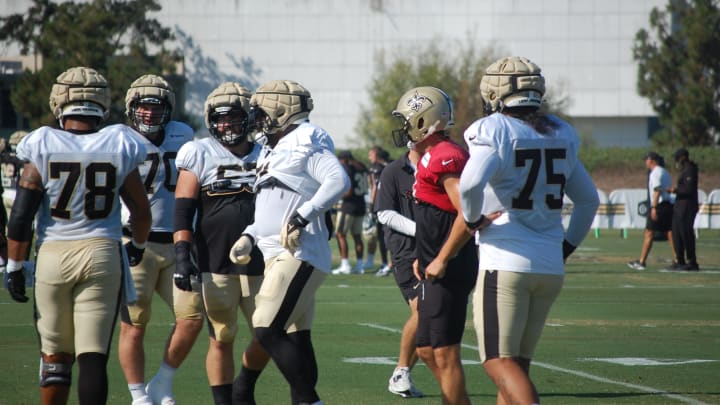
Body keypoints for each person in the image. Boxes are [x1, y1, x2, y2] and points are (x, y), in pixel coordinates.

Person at [5, 66, 151, 405]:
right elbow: (141, 212)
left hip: (54, 254)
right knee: (93, 356)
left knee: (54, 356)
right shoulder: (119, 141)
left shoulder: (41, 142)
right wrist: (139, 246)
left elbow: (21, 217)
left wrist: (14, 265)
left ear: (59, 101)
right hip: (102, 253)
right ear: (102, 102)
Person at [459, 56, 599, 405]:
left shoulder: (493, 129)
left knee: (497, 362)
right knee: (517, 365)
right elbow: (588, 201)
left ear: (494, 91)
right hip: (550, 265)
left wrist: (473, 219)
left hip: (505, 260)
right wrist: (564, 248)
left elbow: (470, 184)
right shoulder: (560, 132)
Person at [229, 79, 350, 405]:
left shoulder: (304, 139)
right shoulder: (276, 148)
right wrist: (249, 235)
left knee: (266, 328)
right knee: (297, 336)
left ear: (283, 112)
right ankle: (300, 399)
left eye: (262, 113)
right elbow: (273, 205)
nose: (258, 121)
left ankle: (262, 393)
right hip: (276, 253)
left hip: (298, 251)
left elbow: (338, 180)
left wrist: (302, 217)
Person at [149, 82, 270, 405]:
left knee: (269, 333)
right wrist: (182, 254)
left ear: (248, 118)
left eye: (233, 118)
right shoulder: (199, 151)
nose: (226, 125)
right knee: (222, 337)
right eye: (220, 119)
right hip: (214, 260)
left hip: (263, 259)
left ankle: (244, 386)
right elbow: (183, 209)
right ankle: (223, 401)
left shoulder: (267, 152)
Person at [390, 85, 478, 405]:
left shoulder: (445, 156)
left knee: (445, 352)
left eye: (408, 120)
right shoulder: (431, 156)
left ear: (425, 120)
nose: (404, 127)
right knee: (426, 349)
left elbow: (468, 212)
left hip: (449, 267)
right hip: (431, 265)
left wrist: (441, 258)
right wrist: (423, 257)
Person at [117, 74, 194, 405]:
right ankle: (138, 396)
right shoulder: (117, 138)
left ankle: (162, 382)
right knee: (134, 324)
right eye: (143, 107)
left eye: (156, 107)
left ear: (169, 108)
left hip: (176, 242)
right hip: (135, 244)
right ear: (132, 108)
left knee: (191, 319)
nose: (149, 114)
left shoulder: (184, 134)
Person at [374, 145, 423, 398]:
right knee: (423, 309)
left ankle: (403, 373)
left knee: (433, 319)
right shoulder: (393, 171)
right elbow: (384, 213)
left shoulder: (443, 165)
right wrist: (422, 232)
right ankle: (401, 371)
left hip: (439, 250)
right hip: (407, 252)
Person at [627, 152, 675, 270]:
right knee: (670, 233)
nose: (645, 162)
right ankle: (678, 258)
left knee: (649, 232)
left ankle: (642, 262)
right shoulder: (664, 172)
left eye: (647, 159)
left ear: (652, 160)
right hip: (667, 205)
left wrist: (653, 207)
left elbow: (657, 189)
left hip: (659, 206)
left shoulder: (655, 173)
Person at [331, 150, 368, 275]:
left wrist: (336, 197)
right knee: (357, 236)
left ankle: (345, 265)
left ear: (344, 159)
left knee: (340, 234)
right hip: (361, 204)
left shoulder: (347, 167)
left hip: (348, 206)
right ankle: (359, 266)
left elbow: (348, 190)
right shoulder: (361, 166)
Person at [667, 148, 700, 271]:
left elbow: (689, 190)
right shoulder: (684, 170)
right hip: (679, 206)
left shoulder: (690, 170)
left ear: (682, 157)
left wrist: (674, 190)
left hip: (687, 206)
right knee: (677, 234)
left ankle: (692, 261)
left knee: (686, 233)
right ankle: (679, 260)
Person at [365, 145, 391, 276]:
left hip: (382, 205)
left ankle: (387, 264)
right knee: (389, 235)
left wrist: (371, 205)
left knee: (382, 236)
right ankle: (389, 264)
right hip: (393, 205)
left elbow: (374, 187)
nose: (369, 157)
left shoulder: (376, 167)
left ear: (376, 154)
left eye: (371, 154)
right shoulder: (392, 164)